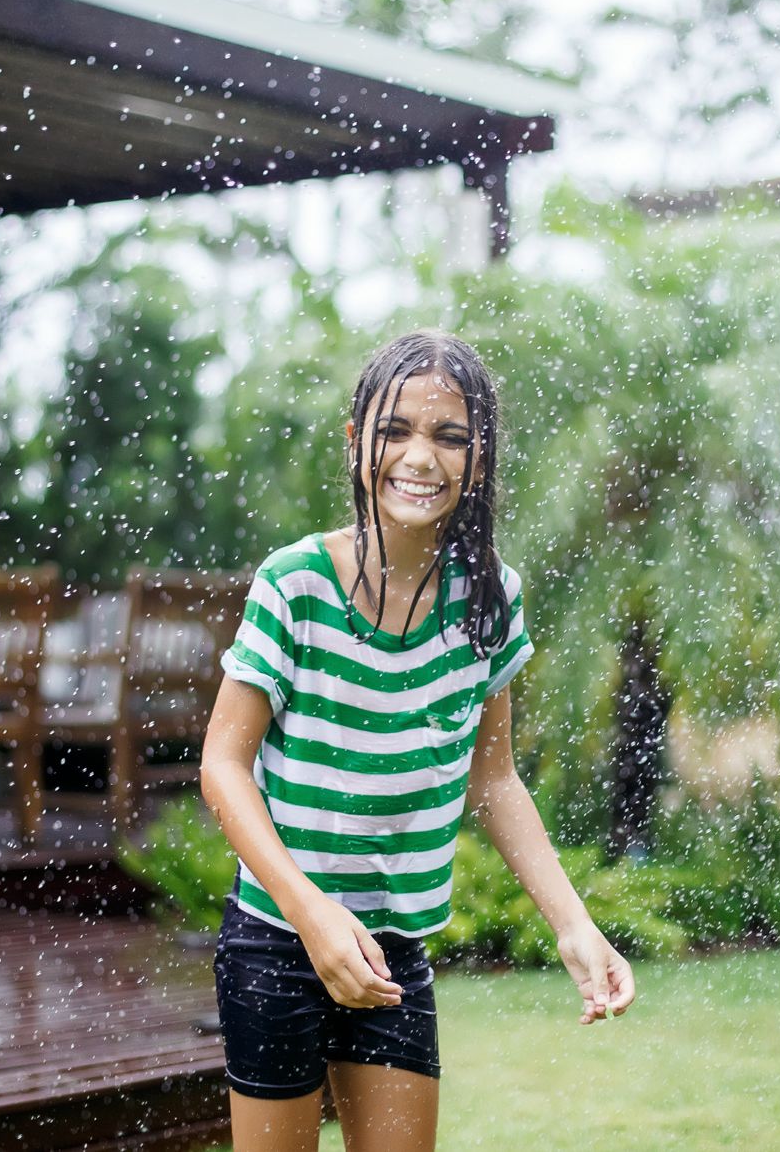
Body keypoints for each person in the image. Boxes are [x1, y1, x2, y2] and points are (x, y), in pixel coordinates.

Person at [201, 330, 636, 1151]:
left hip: (395, 954)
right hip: (277, 940)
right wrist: (311, 911)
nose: (420, 456)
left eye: (449, 435)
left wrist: (574, 924)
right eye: (395, 430)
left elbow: (494, 781)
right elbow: (223, 765)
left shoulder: (489, 599)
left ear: (480, 457)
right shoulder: (295, 583)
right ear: (356, 439)